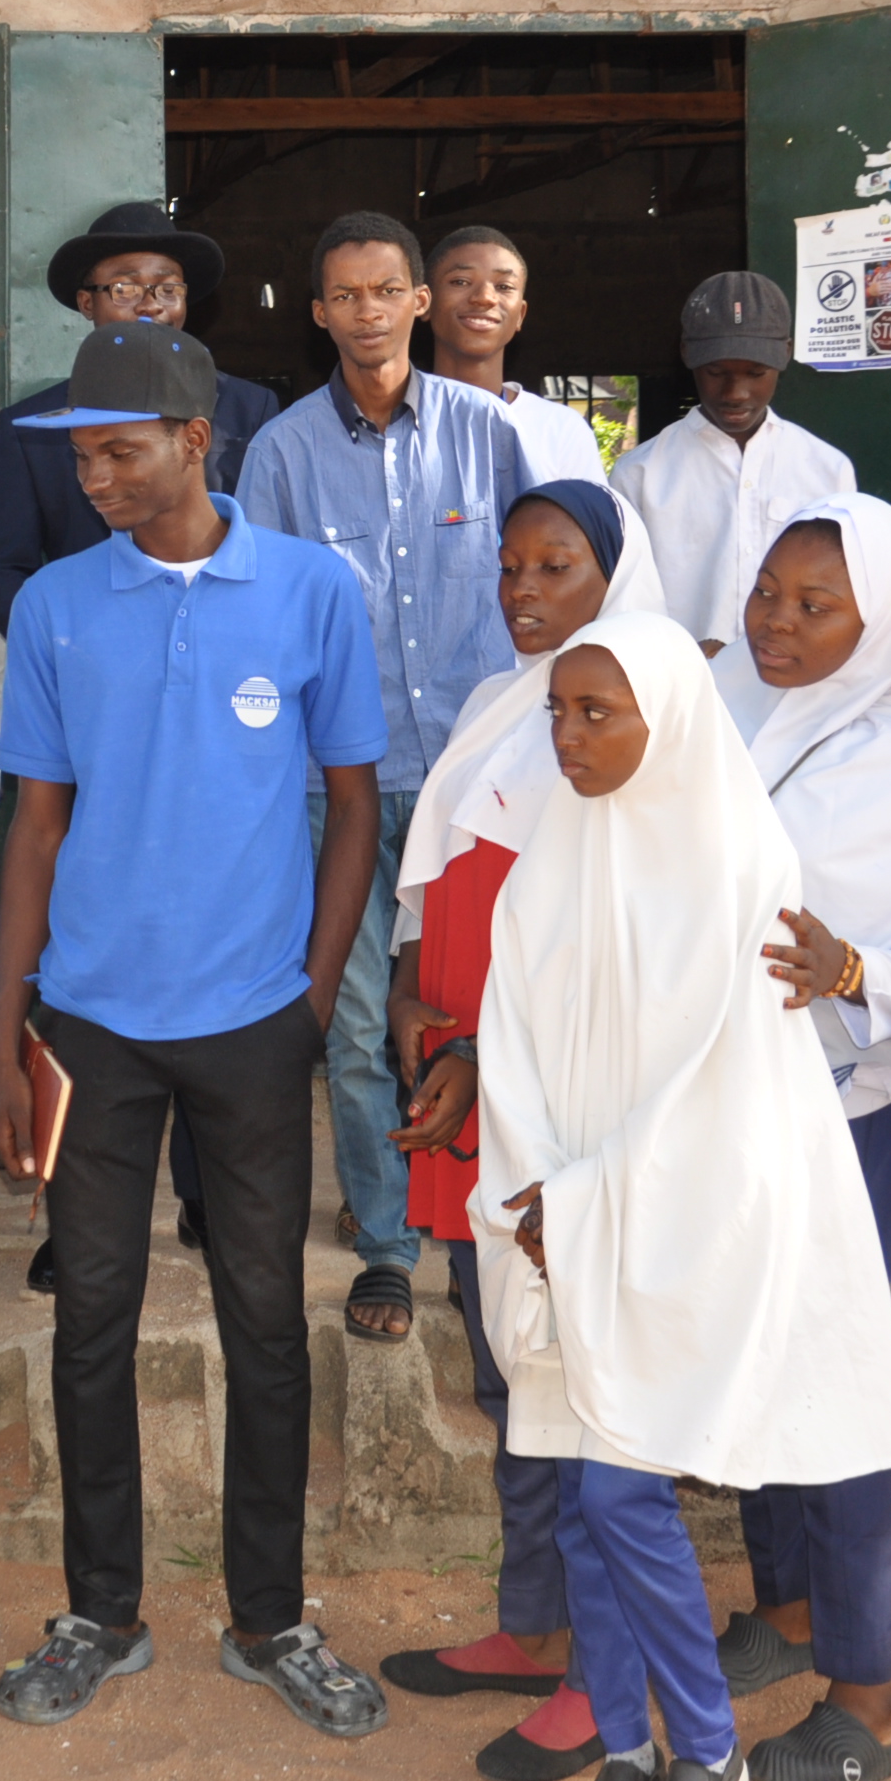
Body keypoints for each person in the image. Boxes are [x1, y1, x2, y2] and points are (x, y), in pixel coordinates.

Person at [0, 321, 393, 1739]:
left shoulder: (309, 589)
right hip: (93, 1020)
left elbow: (353, 806)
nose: (92, 478)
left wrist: (310, 997)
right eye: (79, 457)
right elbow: (35, 829)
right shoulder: (55, 605)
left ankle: (270, 1620)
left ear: (195, 442)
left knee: (264, 1321)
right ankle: (100, 1614)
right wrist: (8, 1026)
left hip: (253, 1021)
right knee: (89, 1321)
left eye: (118, 452)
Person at [470, 615, 891, 1781]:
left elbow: (727, 1083)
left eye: (597, 713)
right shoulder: (550, 861)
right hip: (560, 1217)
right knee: (582, 1499)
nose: (568, 737)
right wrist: (534, 1191)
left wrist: (582, 1200)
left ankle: (708, 1752)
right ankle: (626, 1753)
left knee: (619, 1499)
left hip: (690, 1221)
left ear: (665, 719)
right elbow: (512, 1039)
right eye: (557, 712)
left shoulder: (741, 864)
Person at [373, 482, 664, 1781]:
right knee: (508, 1372)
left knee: (575, 1382)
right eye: (509, 566)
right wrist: (411, 1001)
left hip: (551, 1097)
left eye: (557, 566)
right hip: (464, 1077)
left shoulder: (630, 726)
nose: (523, 590)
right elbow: (435, 876)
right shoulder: (508, 703)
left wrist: (484, 1057)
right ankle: (535, 1623)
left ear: (617, 577)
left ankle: (605, 1684)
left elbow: (607, 949)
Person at [704, 496, 891, 1781]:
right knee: (755, 1368)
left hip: (841, 1113)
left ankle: (869, 1696)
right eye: (769, 591)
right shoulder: (730, 706)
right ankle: (793, 1605)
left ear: (881, 623)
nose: (778, 621)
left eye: (818, 606)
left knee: (837, 1390)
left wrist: (856, 966)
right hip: (724, 1100)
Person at [243, 210, 535, 1349]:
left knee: (488, 1004)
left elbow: (541, 585)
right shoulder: (280, 455)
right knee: (362, 1017)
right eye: (345, 295)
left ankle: (487, 1221)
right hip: (343, 785)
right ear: (319, 313)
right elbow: (262, 627)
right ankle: (387, 1244)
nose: (367, 313)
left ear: (419, 301)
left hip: (480, 778)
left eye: (385, 291)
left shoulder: (487, 431)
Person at [0, 199, 282, 631]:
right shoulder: (30, 428)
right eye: (125, 289)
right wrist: (66, 646)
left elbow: (268, 545)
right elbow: (6, 572)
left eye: (168, 289)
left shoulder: (249, 407)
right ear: (87, 303)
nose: (151, 305)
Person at [609, 273, 855, 654]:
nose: (735, 393)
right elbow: (623, 603)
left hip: (795, 681)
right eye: (716, 372)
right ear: (687, 354)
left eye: (755, 373)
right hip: (680, 680)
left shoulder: (828, 470)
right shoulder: (638, 475)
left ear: (785, 353)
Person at [421, 228, 608, 489]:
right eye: (461, 282)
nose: (485, 298)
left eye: (504, 287)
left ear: (520, 315)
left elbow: (587, 516)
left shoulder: (560, 429)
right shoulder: (390, 420)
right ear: (424, 302)